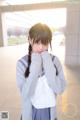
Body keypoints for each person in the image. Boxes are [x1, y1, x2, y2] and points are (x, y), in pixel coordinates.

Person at [16, 23, 67, 120]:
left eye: (45, 43)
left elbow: (59, 89)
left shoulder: (54, 61)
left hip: (49, 114)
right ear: (30, 40)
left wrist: (47, 61)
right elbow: (25, 94)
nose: (41, 47)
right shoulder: (22, 64)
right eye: (37, 42)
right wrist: (35, 65)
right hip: (30, 114)